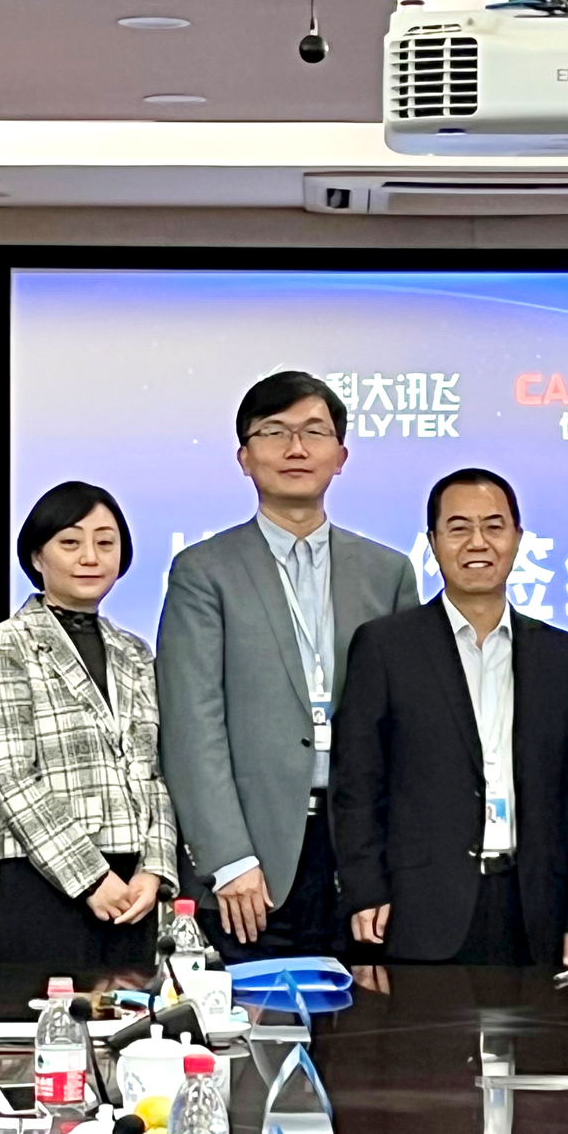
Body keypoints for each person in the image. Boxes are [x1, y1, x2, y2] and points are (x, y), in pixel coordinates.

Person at [158, 371, 420, 960]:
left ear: (341, 456)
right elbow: (192, 726)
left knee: (371, 1016)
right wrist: (228, 858)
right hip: (252, 865)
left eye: (313, 432)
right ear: (244, 458)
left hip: (360, 858)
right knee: (252, 1018)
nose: (296, 448)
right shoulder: (204, 571)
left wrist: (393, 862)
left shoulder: (388, 572)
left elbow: (407, 731)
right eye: (275, 432)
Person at [330, 468, 568, 967]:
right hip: (418, 908)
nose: (478, 542)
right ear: (433, 542)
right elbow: (357, 784)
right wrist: (364, 889)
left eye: (494, 527)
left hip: (532, 907)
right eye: (458, 528)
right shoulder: (386, 647)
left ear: (518, 538)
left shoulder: (560, 654)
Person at [0, 481, 177, 971]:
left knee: (133, 1019)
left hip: (134, 889)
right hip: (46, 880)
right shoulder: (7, 643)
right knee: (39, 1020)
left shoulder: (135, 651)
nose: (90, 557)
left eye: (105, 543)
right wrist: (90, 878)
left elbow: (157, 772)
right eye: (70, 542)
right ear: (36, 556)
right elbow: (12, 778)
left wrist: (154, 870)